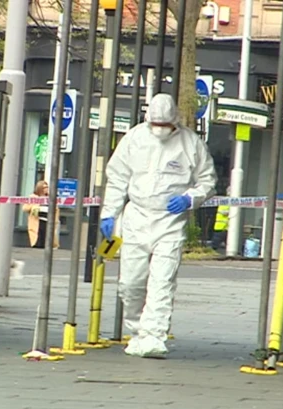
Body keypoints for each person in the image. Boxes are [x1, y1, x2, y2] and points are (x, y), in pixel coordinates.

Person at [99, 93, 217, 358]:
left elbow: (207, 180)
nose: (160, 130)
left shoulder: (191, 144)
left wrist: (189, 198)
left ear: (175, 120)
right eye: (156, 125)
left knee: (162, 282)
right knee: (131, 283)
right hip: (137, 217)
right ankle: (138, 331)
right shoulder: (134, 140)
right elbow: (117, 178)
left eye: (166, 125)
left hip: (170, 222)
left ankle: (154, 337)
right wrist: (109, 213)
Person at [23, 180, 60, 249]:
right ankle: (37, 244)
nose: (46, 189)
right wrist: (33, 207)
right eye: (44, 187)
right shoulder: (33, 197)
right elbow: (25, 208)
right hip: (37, 220)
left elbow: (56, 208)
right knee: (38, 236)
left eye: (47, 187)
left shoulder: (50, 198)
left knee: (48, 235)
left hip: (48, 220)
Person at [212, 186, 230, 252]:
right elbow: (223, 212)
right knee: (215, 245)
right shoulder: (225, 201)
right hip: (221, 227)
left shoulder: (226, 201)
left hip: (226, 228)